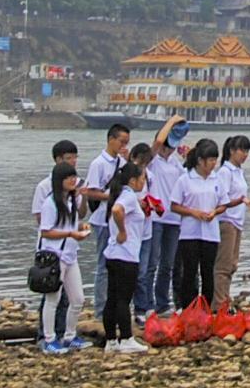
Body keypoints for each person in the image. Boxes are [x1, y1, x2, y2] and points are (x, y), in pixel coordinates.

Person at [171, 139, 234, 309]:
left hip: (210, 232)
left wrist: (215, 212)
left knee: (208, 273)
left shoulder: (216, 179)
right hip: (190, 232)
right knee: (190, 273)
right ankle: (188, 310)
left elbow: (223, 204)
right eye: (211, 160)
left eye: (215, 159)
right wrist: (193, 212)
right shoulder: (185, 178)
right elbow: (174, 205)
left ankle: (206, 311)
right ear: (200, 160)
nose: (214, 164)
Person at [34, 162, 87, 355]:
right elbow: (46, 232)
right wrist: (71, 234)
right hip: (54, 256)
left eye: (74, 177)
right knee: (53, 299)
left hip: (71, 255)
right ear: (59, 181)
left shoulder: (71, 201)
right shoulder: (50, 203)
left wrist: (79, 229)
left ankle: (70, 336)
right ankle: (49, 340)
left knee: (78, 298)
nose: (73, 181)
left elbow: (71, 224)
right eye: (69, 177)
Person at [101, 159, 151, 353]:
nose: (144, 183)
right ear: (132, 180)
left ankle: (111, 340)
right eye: (142, 179)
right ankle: (127, 338)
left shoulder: (121, 193)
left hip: (113, 254)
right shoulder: (128, 195)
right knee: (123, 298)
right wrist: (123, 231)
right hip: (126, 254)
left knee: (112, 298)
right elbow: (117, 210)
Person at [137, 116, 186, 317]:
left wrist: (186, 156)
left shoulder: (176, 163)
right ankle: (146, 304)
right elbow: (157, 144)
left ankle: (162, 303)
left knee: (168, 264)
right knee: (151, 263)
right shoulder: (153, 161)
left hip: (173, 219)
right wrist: (171, 121)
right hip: (156, 219)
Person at [79, 123, 132, 273]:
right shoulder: (98, 163)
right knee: (104, 263)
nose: (124, 145)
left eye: (126, 142)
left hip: (118, 216)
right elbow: (89, 191)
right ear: (111, 139)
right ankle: (101, 297)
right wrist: (111, 196)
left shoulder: (122, 162)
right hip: (103, 217)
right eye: (122, 141)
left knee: (118, 261)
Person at [210, 135, 250, 309]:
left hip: (237, 220)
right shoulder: (225, 172)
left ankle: (224, 299)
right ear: (232, 151)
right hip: (226, 220)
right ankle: (219, 304)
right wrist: (242, 200)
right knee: (223, 265)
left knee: (233, 264)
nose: (245, 154)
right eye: (242, 150)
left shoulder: (238, 171)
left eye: (247, 151)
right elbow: (223, 198)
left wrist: (246, 201)